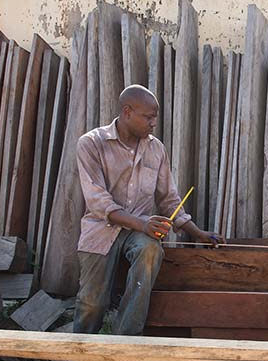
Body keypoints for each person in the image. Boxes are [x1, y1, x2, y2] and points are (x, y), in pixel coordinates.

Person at [73, 84, 224, 335]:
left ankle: (126, 341)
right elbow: (98, 201)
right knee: (91, 303)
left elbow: (169, 199)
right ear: (127, 112)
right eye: (148, 117)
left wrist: (197, 233)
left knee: (151, 249)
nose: (154, 123)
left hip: (138, 233)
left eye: (155, 117)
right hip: (100, 231)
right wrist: (143, 224)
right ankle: (80, 351)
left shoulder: (156, 149)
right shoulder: (91, 143)